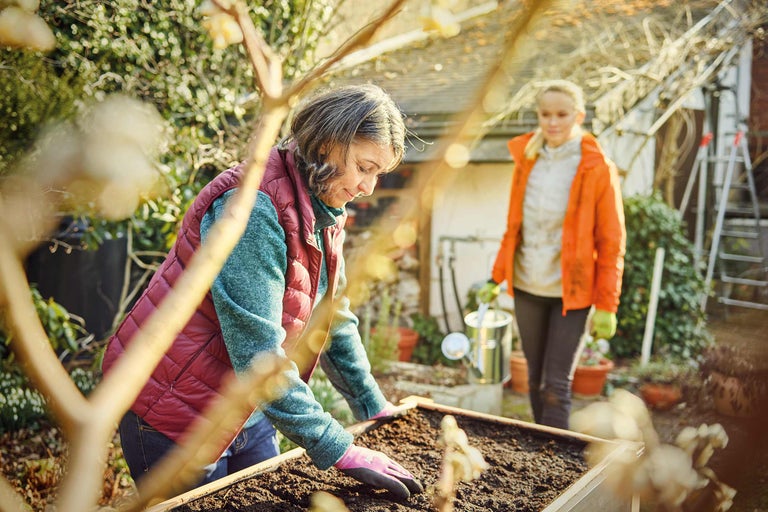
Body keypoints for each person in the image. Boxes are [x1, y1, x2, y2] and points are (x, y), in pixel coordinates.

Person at [102, 84, 423, 500]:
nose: (369, 187)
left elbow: (332, 316)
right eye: (364, 167)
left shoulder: (323, 206)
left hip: (245, 414)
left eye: (378, 173)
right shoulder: (254, 209)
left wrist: (372, 405)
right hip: (177, 415)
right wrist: (339, 449)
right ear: (326, 144)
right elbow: (259, 355)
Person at [477, 79, 625, 430]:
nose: (553, 122)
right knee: (533, 380)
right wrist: (495, 278)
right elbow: (515, 228)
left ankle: (557, 456)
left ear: (579, 115)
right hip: (529, 285)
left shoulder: (597, 167)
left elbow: (612, 240)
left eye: (562, 114)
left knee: (555, 384)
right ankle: (541, 452)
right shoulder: (528, 159)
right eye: (546, 114)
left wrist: (607, 304)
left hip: (571, 294)